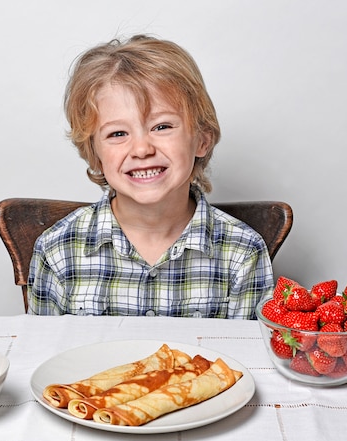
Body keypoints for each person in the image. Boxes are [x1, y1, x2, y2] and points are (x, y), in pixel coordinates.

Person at [27, 34, 273, 318]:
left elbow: (247, 358)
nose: (142, 149)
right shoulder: (58, 249)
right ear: (94, 152)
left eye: (162, 126)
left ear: (202, 140)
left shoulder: (243, 252)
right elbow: (44, 355)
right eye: (118, 133)